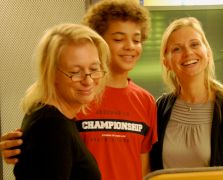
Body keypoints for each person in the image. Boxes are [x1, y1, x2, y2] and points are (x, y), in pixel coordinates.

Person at [0, 1, 158, 180]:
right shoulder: (74, 99)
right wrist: (21, 146)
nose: (130, 46)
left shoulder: (146, 101)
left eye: (136, 39)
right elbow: (48, 137)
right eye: (118, 38)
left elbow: (144, 168)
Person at [150, 17, 223, 170]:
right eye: (177, 49)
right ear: (166, 62)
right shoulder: (161, 108)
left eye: (194, 44)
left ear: (208, 53)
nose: (188, 53)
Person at [12, 23, 110, 179]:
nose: (88, 80)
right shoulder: (51, 126)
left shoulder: (59, 118)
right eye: (75, 72)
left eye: (94, 69)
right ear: (51, 74)